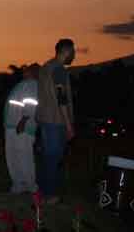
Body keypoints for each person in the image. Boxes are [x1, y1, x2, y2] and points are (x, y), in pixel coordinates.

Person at [36, 38, 77, 203]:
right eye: (73, 51)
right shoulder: (59, 70)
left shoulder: (45, 67)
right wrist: (69, 125)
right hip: (56, 120)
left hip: (45, 119)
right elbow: (61, 98)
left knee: (47, 158)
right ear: (66, 51)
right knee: (53, 157)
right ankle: (50, 195)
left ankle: (42, 192)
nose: (74, 55)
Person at [4, 64, 40, 193]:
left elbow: (31, 104)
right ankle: (18, 185)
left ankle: (31, 186)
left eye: (28, 69)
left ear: (34, 73)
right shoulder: (24, 84)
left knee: (24, 156)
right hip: (13, 126)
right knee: (13, 156)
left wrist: (23, 121)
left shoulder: (32, 84)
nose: (25, 70)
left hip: (22, 127)